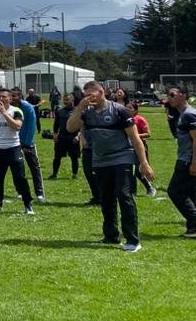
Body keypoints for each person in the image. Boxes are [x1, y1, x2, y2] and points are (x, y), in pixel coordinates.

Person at [66, 81, 154, 252]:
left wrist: (144, 163)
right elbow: (70, 128)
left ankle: (133, 240)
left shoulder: (119, 110)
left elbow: (135, 139)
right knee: (105, 198)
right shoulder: (86, 112)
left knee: (124, 195)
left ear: (102, 92)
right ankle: (111, 235)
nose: (89, 98)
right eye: (86, 95)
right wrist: (79, 108)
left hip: (123, 157)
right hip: (100, 160)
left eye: (92, 94)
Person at [164, 87, 196, 238]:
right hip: (191, 159)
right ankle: (195, 229)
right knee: (192, 194)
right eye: (168, 95)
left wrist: (194, 163)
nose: (169, 98)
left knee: (175, 191)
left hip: (189, 160)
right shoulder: (184, 114)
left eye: (172, 95)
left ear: (183, 96)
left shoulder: (189, 114)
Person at [0, 88, 32, 216]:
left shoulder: (16, 111)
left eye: (4, 97)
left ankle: (28, 204)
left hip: (13, 148)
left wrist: (5, 114)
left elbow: (17, 126)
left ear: (10, 98)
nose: (1, 99)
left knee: (20, 178)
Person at [10, 87, 45, 203]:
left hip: (27, 142)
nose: (12, 98)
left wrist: (27, 143)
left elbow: (31, 126)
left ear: (20, 96)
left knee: (34, 167)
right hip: (14, 142)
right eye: (11, 95)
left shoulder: (27, 107)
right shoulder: (9, 108)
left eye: (15, 96)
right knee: (17, 168)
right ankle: (20, 191)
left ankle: (39, 193)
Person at [50, 92, 80, 179]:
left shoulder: (77, 111)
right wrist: (55, 135)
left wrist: (78, 136)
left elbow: (82, 126)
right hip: (62, 138)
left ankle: (74, 174)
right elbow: (56, 125)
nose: (65, 102)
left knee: (74, 158)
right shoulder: (60, 111)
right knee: (57, 157)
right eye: (64, 100)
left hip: (73, 138)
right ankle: (54, 174)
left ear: (72, 100)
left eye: (67, 100)